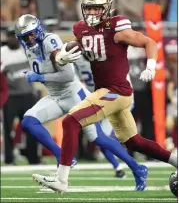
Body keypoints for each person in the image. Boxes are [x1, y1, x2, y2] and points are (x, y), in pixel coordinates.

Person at [47, 0, 177, 193]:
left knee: (70, 121)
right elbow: (74, 48)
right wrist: (61, 56)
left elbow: (149, 42)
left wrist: (151, 66)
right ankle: (177, 161)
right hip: (109, 92)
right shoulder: (81, 28)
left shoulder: (115, 27)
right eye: (88, 8)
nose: (92, 13)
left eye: (97, 9)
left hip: (116, 91)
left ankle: (61, 180)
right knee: (134, 142)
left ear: (106, 10)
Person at [15, 14, 147, 188]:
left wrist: (39, 76)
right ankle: (62, 157)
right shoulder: (29, 47)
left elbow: (68, 75)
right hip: (55, 96)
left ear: (38, 30)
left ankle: (137, 168)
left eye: (31, 35)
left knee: (98, 138)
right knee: (28, 122)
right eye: (25, 37)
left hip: (74, 95)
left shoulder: (51, 41)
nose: (29, 40)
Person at [1, 26, 40, 165]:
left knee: (32, 127)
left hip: (28, 95)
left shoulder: (27, 50)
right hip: (10, 97)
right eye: (10, 35)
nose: (12, 38)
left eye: (14, 35)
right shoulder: (2, 52)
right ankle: (9, 159)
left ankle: (33, 159)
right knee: (8, 129)